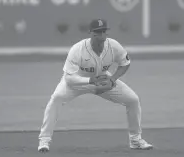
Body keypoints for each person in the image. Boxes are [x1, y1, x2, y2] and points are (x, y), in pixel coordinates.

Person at [38, 19, 153, 152]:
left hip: (104, 80)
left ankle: (135, 140)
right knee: (56, 99)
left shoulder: (113, 46)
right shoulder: (78, 49)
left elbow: (125, 63)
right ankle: (44, 140)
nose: (101, 34)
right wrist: (91, 81)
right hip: (78, 81)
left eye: (104, 31)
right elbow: (69, 79)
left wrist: (113, 79)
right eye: (98, 32)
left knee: (133, 100)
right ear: (91, 33)